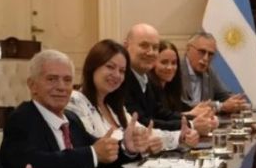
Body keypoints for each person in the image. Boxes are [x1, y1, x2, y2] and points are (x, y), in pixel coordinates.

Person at [0, 50, 145, 168]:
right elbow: (35, 163)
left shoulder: (71, 119)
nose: (61, 87)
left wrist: (126, 148)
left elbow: (101, 151)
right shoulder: (22, 118)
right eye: (52, 79)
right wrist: (92, 154)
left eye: (67, 80)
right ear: (32, 85)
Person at [67, 39, 198, 152]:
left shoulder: (114, 107)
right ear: (92, 67)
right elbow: (92, 147)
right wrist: (132, 146)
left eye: (122, 71)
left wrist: (180, 136)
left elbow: (147, 133)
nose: (117, 75)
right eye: (110, 67)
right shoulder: (75, 101)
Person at [122, 23, 215, 134]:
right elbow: (142, 123)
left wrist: (195, 119)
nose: (151, 52)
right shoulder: (121, 80)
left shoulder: (145, 78)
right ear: (126, 46)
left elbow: (159, 113)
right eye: (144, 45)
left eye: (155, 47)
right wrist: (192, 124)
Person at [181, 31, 248, 112]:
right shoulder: (176, 69)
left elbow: (224, 95)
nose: (206, 58)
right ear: (188, 49)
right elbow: (183, 105)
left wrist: (236, 102)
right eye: (202, 52)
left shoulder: (209, 71)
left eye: (210, 54)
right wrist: (220, 106)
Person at [150, 40, 188, 113]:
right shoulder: (149, 90)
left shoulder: (170, 88)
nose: (170, 67)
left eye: (174, 63)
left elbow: (182, 108)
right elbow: (161, 117)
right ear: (153, 63)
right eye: (164, 62)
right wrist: (190, 114)